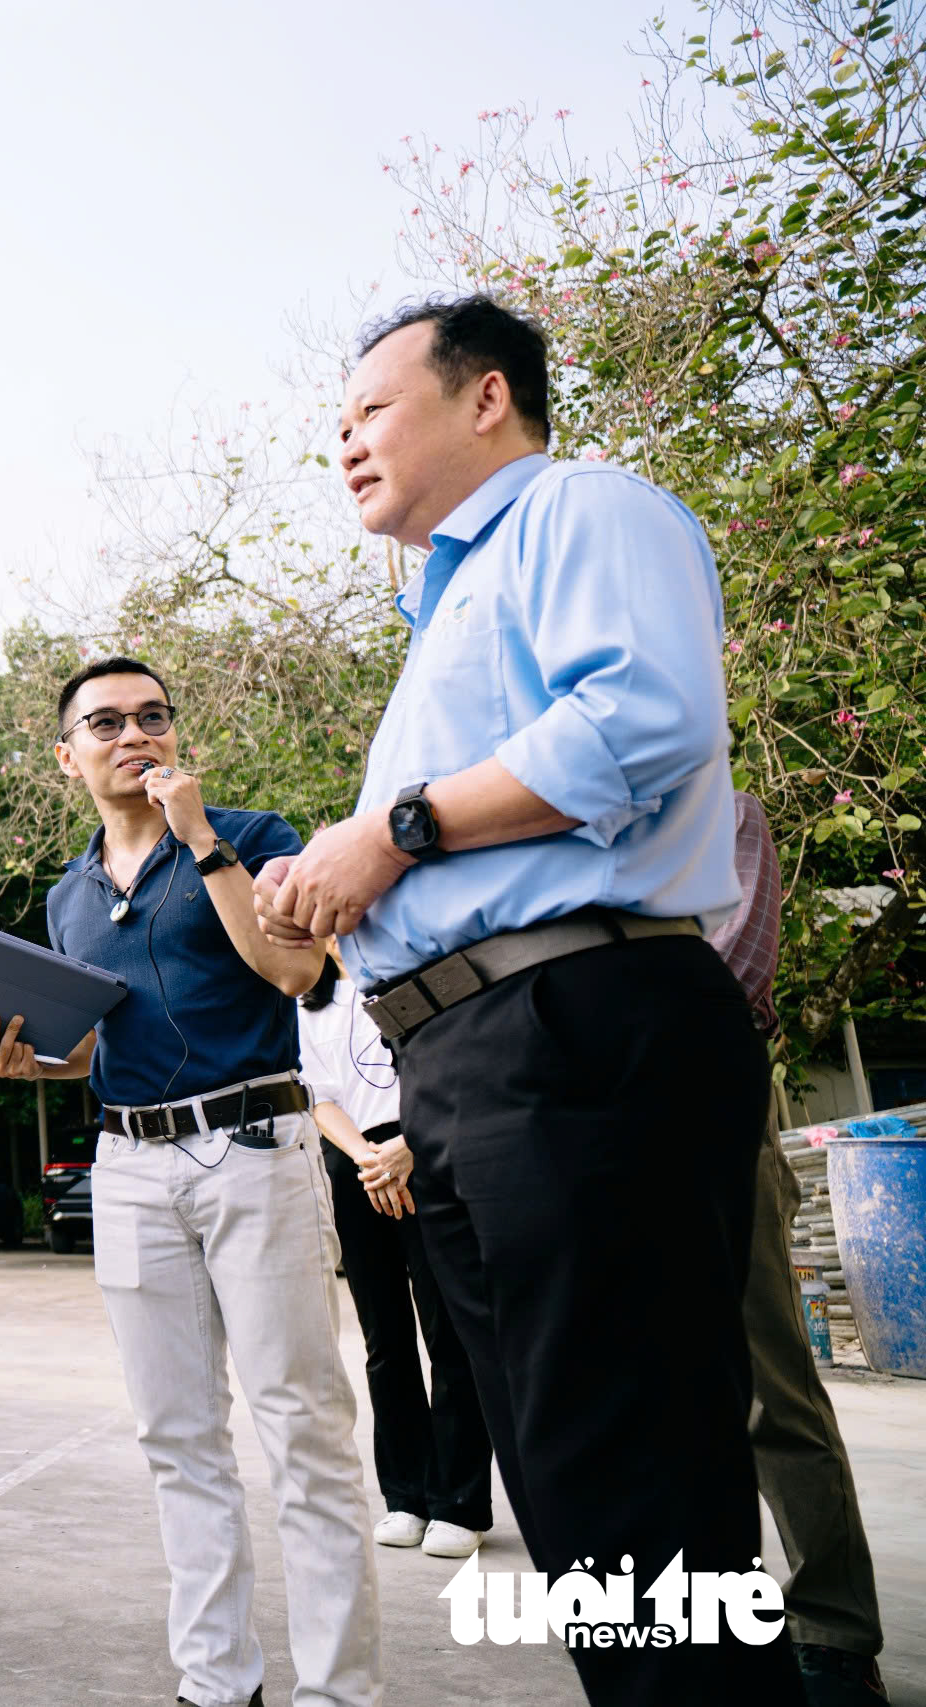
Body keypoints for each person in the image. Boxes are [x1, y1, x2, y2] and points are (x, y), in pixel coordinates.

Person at [259, 294, 797, 1704]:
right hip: (476, 1058)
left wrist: (396, 831)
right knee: (578, 1489)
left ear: (484, 396)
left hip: (578, 1026)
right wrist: (339, 873)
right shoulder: (442, 609)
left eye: (372, 409)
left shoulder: (582, 513)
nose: (347, 443)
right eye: (341, 423)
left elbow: (644, 717)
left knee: (635, 1483)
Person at [0, 658, 379, 1707]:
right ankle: (215, 1682)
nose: (135, 736)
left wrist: (200, 840)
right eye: (106, 722)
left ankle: (338, 1692)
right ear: (67, 755)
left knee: (300, 1427)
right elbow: (97, 1044)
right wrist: (39, 1062)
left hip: (253, 1146)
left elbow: (294, 974)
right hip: (129, 1164)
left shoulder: (251, 837)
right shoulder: (69, 895)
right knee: (176, 1437)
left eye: (152, 717)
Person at [712, 792, 887, 1707]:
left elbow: (733, 968)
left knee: (769, 1386)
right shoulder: (562, 827)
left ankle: (833, 1628)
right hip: (594, 1129)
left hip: (707, 1107)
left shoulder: (724, 810)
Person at [295, 937, 493, 1562]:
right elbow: (318, 1097)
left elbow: (459, 1067)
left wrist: (408, 1147)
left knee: (450, 1333)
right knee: (385, 1341)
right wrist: (367, 1160)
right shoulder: (309, 1001)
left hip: (427, 1151)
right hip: (358, 1165)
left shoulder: (422, 979)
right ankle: (406, 1497)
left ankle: (459, 1504)